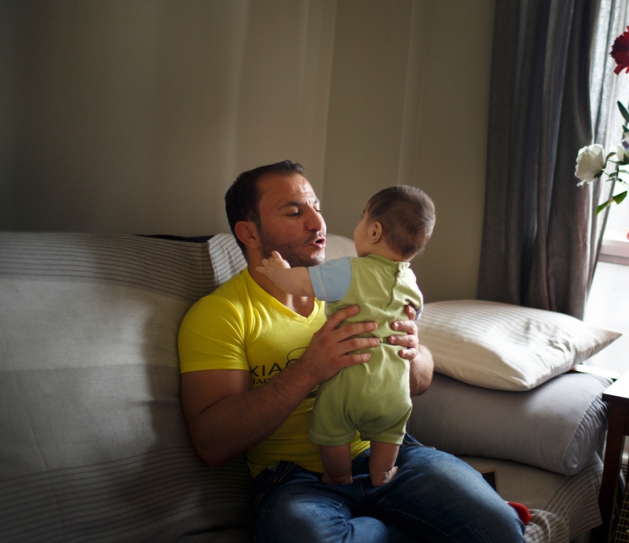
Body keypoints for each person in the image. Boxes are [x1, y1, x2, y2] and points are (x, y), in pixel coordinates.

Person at [177, 160, 526, 542]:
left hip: (388, 457)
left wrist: (411, 350)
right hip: (298, 481)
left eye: (317, 207)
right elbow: (212, 442)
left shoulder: (361, 279)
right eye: (295, 211)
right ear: (249, 232)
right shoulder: (220, 314)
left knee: (501, 529)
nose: (317, 223)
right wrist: (309, 370)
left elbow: (420, 382)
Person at [256, 185, 435, 488]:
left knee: (331, 429)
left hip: (348, 388)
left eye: (362, 217)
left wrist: (278, 272)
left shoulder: (347, 271)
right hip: (392, 392)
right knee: (390, 432)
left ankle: (339, 477)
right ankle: (381, 474)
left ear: (374, 231)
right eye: (295, 210)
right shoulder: (409, 280)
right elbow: (413, 313)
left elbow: (300, 282)